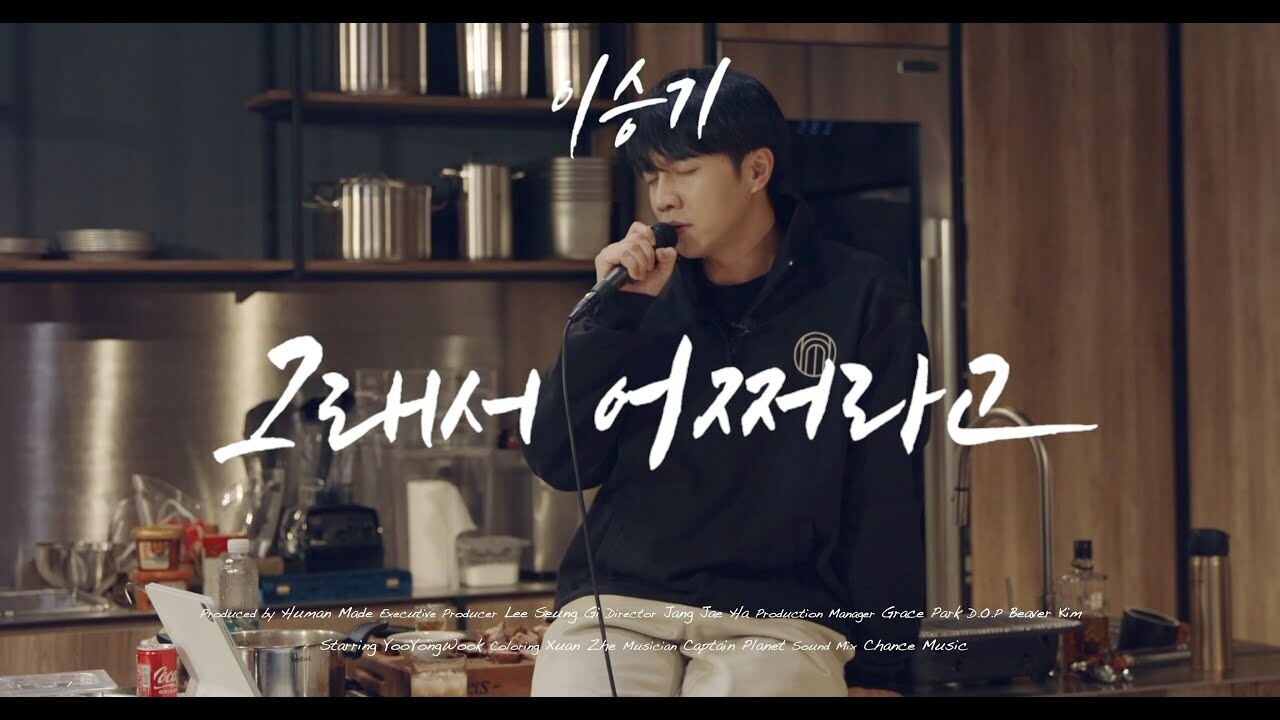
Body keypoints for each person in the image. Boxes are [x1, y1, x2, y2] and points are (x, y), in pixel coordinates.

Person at [520, 64, 930, 697]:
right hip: (621, 605)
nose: (663, 198)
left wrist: (883, 669)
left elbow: (885, 498)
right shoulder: (637, 296)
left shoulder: (864, 299)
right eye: (652, 177)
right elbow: (558, 461)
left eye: (684, 171)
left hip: (781, 618)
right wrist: (610, 320)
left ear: (756, 170)